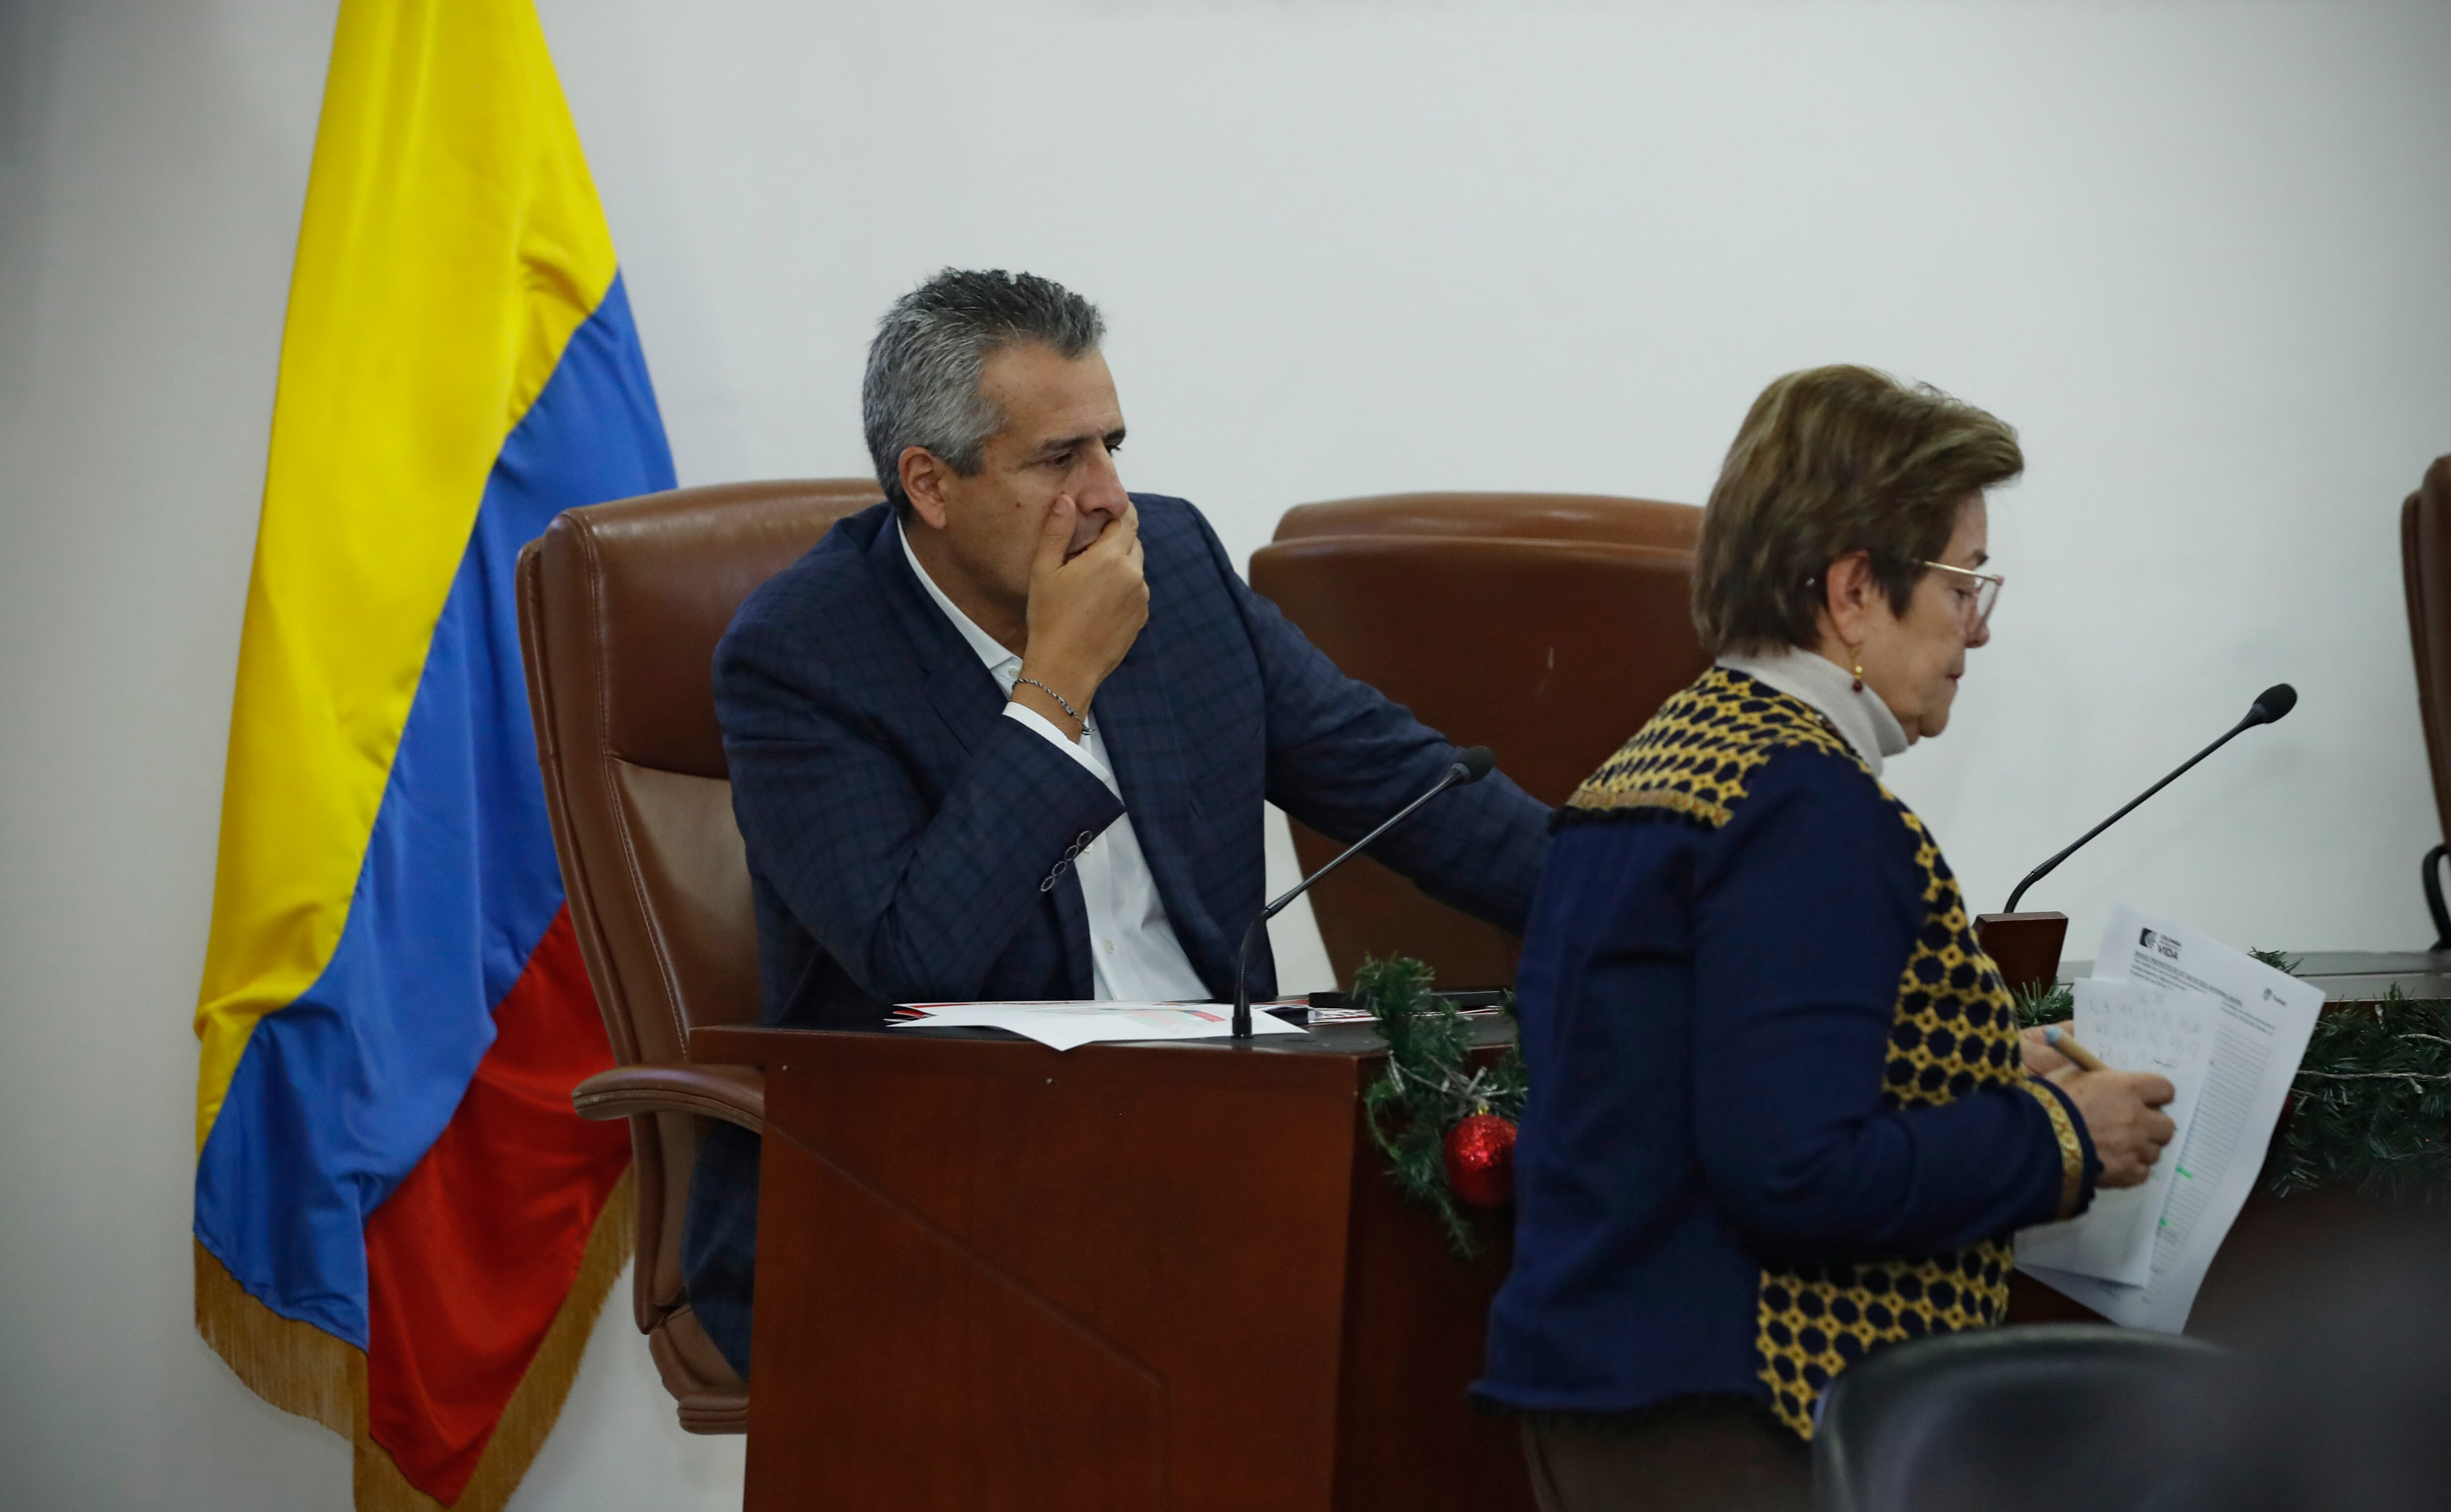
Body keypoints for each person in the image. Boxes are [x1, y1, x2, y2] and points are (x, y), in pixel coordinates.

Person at [682, 269, 1554, 1375]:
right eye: (1060, 459)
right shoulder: (803, 657)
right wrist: (1055, 686)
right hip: (931, 1170)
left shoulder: (1171, 565)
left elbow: (1399, 781)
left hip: (1211, 1127)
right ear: (929, 484)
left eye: (1111, 447)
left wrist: (1679, 891)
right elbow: (920, 957)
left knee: (1487, 1266)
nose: (1106, 497)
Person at [1474, 366, 2180, 1512]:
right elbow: (1793, 1173)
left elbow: (1698, 1068)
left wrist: (1971, 1065)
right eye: (1962, 584)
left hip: (1611, 1395)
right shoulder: (1804, 802)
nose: (1980, 630)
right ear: (1856, 590)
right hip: (1750, 1413)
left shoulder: (1652, 765)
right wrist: (2060, 1134)